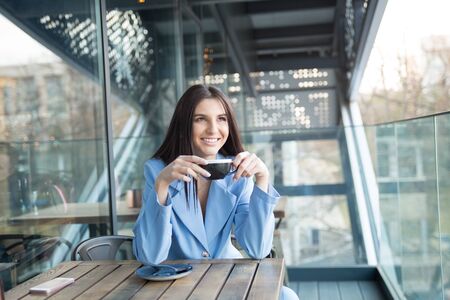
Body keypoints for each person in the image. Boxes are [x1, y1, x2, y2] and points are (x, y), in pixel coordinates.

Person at [133, 84, 298, 300]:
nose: (213, 129)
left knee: (286, 296)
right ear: (184, 125)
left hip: (225, 279)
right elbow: (150, 256)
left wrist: (262, 180)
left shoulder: (236, 173)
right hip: (176, 287)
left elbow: (257, 249)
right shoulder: (158, 171)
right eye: (200, 119)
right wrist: (162, 185)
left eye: (221, 119)